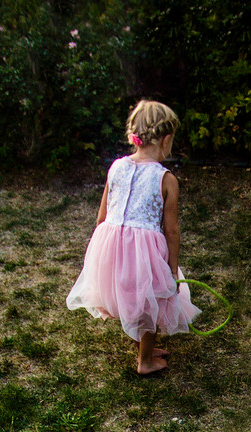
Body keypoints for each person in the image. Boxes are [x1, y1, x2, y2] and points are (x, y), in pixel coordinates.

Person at [67, 99, 200, 376]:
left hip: (111, 244)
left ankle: (145, 350)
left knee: (133, 296)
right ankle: (145, 361)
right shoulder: (166, 179)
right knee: (151, 299)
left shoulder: (116, 166)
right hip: (144, 250)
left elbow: (101, 216)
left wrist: (103, 252)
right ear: (165, 140)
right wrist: (172, 270)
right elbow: (171, 231)